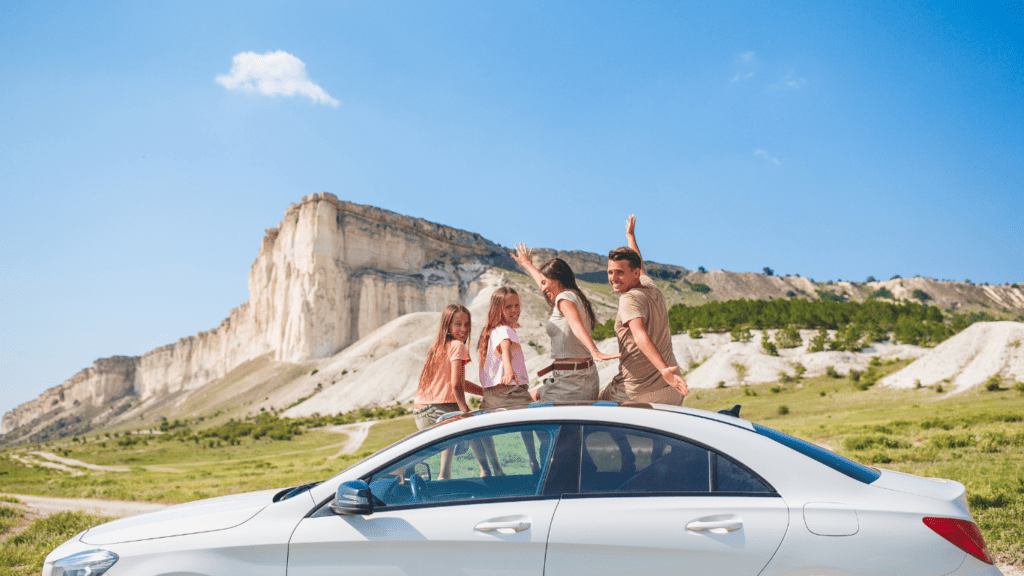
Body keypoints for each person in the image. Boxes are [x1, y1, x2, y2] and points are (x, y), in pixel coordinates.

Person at [510, 244, 620, 402]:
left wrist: (594, 350)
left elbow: (576, 326)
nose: (542, 289)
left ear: (557, 279)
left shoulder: (565, 298)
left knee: (527, 412)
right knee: (525, 400)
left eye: (545, 283)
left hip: (572, 382)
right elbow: (543, 281)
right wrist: (527, 264)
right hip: (570, 377)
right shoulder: (573, 296)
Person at [599, 215, 689, 405]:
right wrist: (631, 237)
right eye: (610, 272)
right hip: (671, 391)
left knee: (585, 404)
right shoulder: (651, 287)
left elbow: (640, 335)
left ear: (635, 273)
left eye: (620, 272)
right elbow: (640, 262)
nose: (613, 278)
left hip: (636, 392)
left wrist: (664, 370)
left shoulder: (629, 298)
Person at [413, 304, 489, 478]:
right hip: (438, 410)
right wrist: (465, 411)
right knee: (474, 425)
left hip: (421, 411)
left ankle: (447, 474)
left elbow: (459, 382)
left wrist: (486, 392)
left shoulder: (437, 346)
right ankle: (487, 471)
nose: (464, 329)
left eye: (467, 324)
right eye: (458, 324)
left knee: (465, 418)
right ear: (447, 326)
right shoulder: (457, 346)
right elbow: (456, 385)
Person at [478, 287, 540, 473]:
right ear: (498, 310)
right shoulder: (504, 330)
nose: (514, 310)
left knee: (483, 428)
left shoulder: (489, 332)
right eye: (508, 307)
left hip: (492, 394)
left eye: (517, 305)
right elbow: (505, 349)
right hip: (510, 389)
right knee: (537, 425)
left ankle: (494, 467)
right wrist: (509, 370)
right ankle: (534, 462)